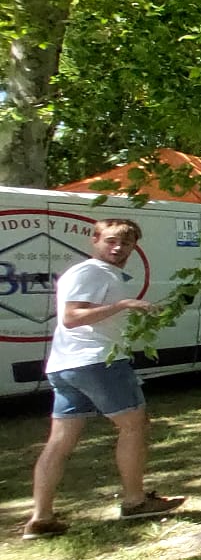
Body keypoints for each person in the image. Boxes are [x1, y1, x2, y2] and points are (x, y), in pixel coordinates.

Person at [24, 219, 184, 539]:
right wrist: (122, 305)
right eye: (110, 241)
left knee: (59, 441)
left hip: (66, 365)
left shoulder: (99, 273)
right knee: (134, 425)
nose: (118, 248)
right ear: (94, 240)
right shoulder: (91, 271)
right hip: (96, 363)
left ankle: (40, 519)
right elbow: (71, 317)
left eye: (126, 243)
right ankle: (135, 502)